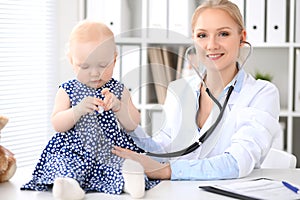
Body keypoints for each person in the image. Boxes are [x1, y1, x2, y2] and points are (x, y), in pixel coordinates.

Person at [112, 0, 282, 181]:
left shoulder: (262, 93)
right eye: (202, 35)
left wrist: (168, 171)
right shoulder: (179, 89)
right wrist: (130, 126)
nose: (212, 45)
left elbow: (237, 162)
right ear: (193, 38)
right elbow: (163, 150)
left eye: (223, 34)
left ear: (242, 38)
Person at [21, 20, 159, 199]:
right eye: (84, 66)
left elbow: (133, 124)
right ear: (71, 62)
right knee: (65, 164)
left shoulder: (118, 90)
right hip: (73, 150)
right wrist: (76, 111)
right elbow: (57, 123)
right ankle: (69, 185)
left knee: (124, 162)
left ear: (115, 60)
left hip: (109, 149)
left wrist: (119, 106)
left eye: (103, 66)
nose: (95, 73)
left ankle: (130, 181)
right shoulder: (67, 89)